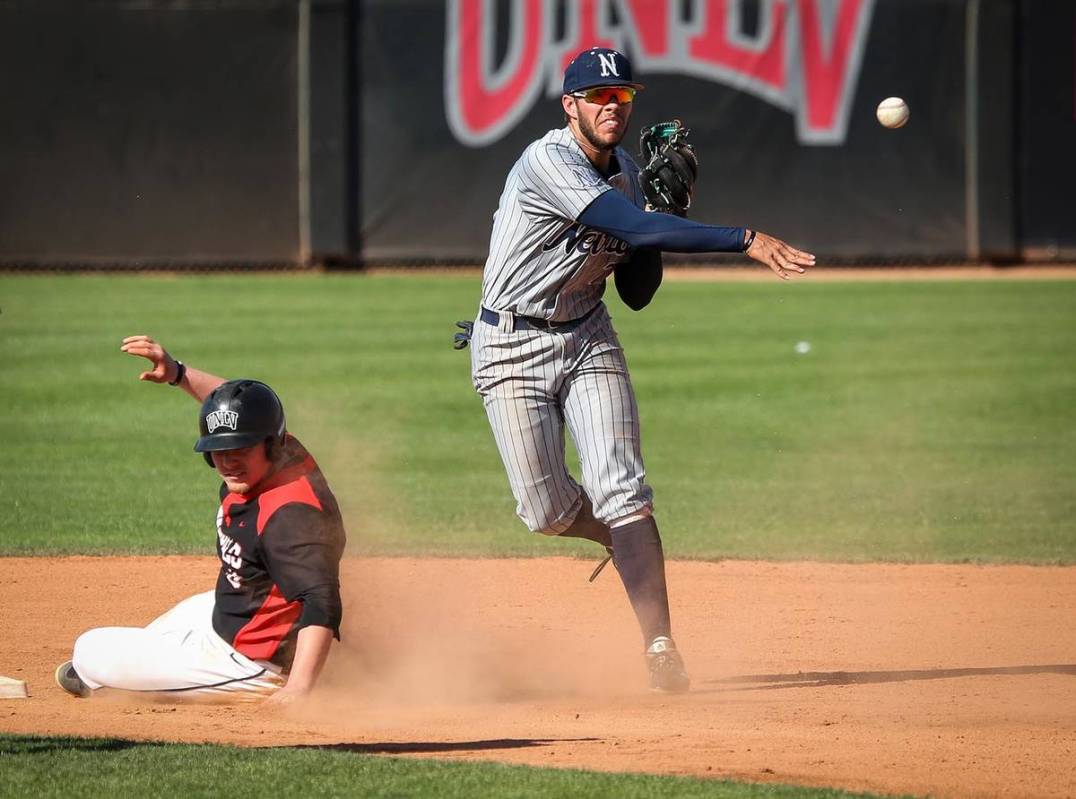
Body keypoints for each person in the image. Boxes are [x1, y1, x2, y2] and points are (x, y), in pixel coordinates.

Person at [464, 48, 814, 692]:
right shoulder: (547, 161)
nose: (610, 107)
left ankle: (660, 646)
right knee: (543, 511)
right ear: (570, 106)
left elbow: (636, 292)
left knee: (623, 488)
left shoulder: (626, 172)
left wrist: (667, 216)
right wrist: (740, 238)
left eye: (621, 97)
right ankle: (616, 541)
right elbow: (624, 224)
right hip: (510, 344)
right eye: (597, 97)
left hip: (588, 335)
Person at [54, 336, 346, 704]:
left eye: (240, 449)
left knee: (89, 650)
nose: (228, 461)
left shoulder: (289, 515)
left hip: (254, 659)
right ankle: (144, 672)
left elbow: (321, 599)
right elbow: (240, 408)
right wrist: (178, 374)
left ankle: (265, 681)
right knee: (187, 613)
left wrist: (300, 689)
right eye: (218, 451)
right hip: (239, 610)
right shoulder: (285, 450)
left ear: (270, 444)